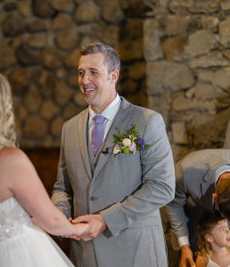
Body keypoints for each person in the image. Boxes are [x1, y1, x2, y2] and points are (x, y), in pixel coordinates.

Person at [0, 68, 90, 267]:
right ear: (0, 106)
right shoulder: (9, 159)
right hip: (17, 255)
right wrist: (81, 229)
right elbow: (52, 220)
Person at [51, 41, 176, 267]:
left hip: (135, 252)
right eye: (81, 73)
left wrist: (105, 220)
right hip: (85, 254)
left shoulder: (147, 121)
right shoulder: (69, 128)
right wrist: (61, 217)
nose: (84, 80)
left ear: (113, 76)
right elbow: (63, 187)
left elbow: (162, 187)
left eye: (93, 73)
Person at [165, 149, 230, 267]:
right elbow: (174, 204)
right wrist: (185, 246)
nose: (223, 219)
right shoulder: (185, 171)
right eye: (224, 215)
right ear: (215, 196)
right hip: (197, 219)